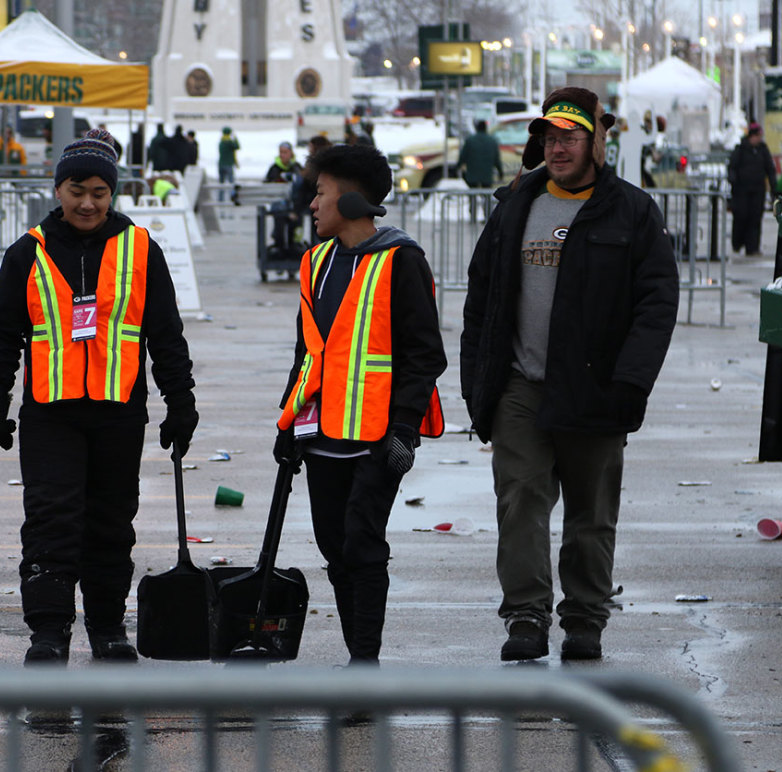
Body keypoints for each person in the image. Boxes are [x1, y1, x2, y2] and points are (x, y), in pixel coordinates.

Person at [460, 87, 679, 662]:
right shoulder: (515, 206)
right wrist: (477, 381)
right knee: (521, 501)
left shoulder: (630, 210)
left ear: (595, 142)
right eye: (550, 137)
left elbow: (656, 305)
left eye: (570, 137)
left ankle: (585, 618)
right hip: (520, 387)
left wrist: (630, 383)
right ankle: (526, 617)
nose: (558, 148)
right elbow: (481, 296)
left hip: (596, 390)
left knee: (591, 513)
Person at [0, 128, 198, 666]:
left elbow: (164, 334)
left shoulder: (141, 249)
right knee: (51, 521)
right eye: (77, 190)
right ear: (58, 190)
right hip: (50, 415)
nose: (88, 202)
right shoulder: (27, 252)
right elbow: (3, 334)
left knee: (110, 522)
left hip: (119, 413)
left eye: (99, 192)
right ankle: (48, 633)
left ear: (112, 193)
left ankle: (106, 627)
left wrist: (181, 400)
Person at [274, 144, 446, 665]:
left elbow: (425, 356)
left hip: (375, 439)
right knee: (334, 548)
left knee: (362, 545)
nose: (312, 204)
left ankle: (364, 664)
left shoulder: (401, 260)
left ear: (349, 200)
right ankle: (357, 655)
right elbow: (309, 352)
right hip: (321, 436)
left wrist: (402, 432)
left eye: (319, 193)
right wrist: (287, 422)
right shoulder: (315, 261)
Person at [728, 122, 777, 256]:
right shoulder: (740, 149)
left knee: (755, 219)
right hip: (741, 191)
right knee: (741, 217)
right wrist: (732, 181)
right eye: (756, 136)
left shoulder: (763, 150)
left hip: (757, 191)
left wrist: (774, 188)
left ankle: (753, 247)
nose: (758, 139)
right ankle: (737, 243)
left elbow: (770, 169)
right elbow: (732, 167)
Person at [455, 119, 503, 221]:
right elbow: (496, 159)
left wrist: (457, 167)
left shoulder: (470, 140)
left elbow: (463, 156)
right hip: (486, 174)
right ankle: (487, 217)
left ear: (476, 128)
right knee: (486, 197)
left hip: (472, 174)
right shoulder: (492, 141)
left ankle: (472, 216)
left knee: (472, 197)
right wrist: (500, 172)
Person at [217, 126, 240, 202]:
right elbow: (237, 146)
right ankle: (232, 198)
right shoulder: (230, 142)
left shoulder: (221, 142)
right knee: (231, 183)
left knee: (221, 183)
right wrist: (235, 138)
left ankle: (220, 199)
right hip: (228, 164)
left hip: (221, 164)